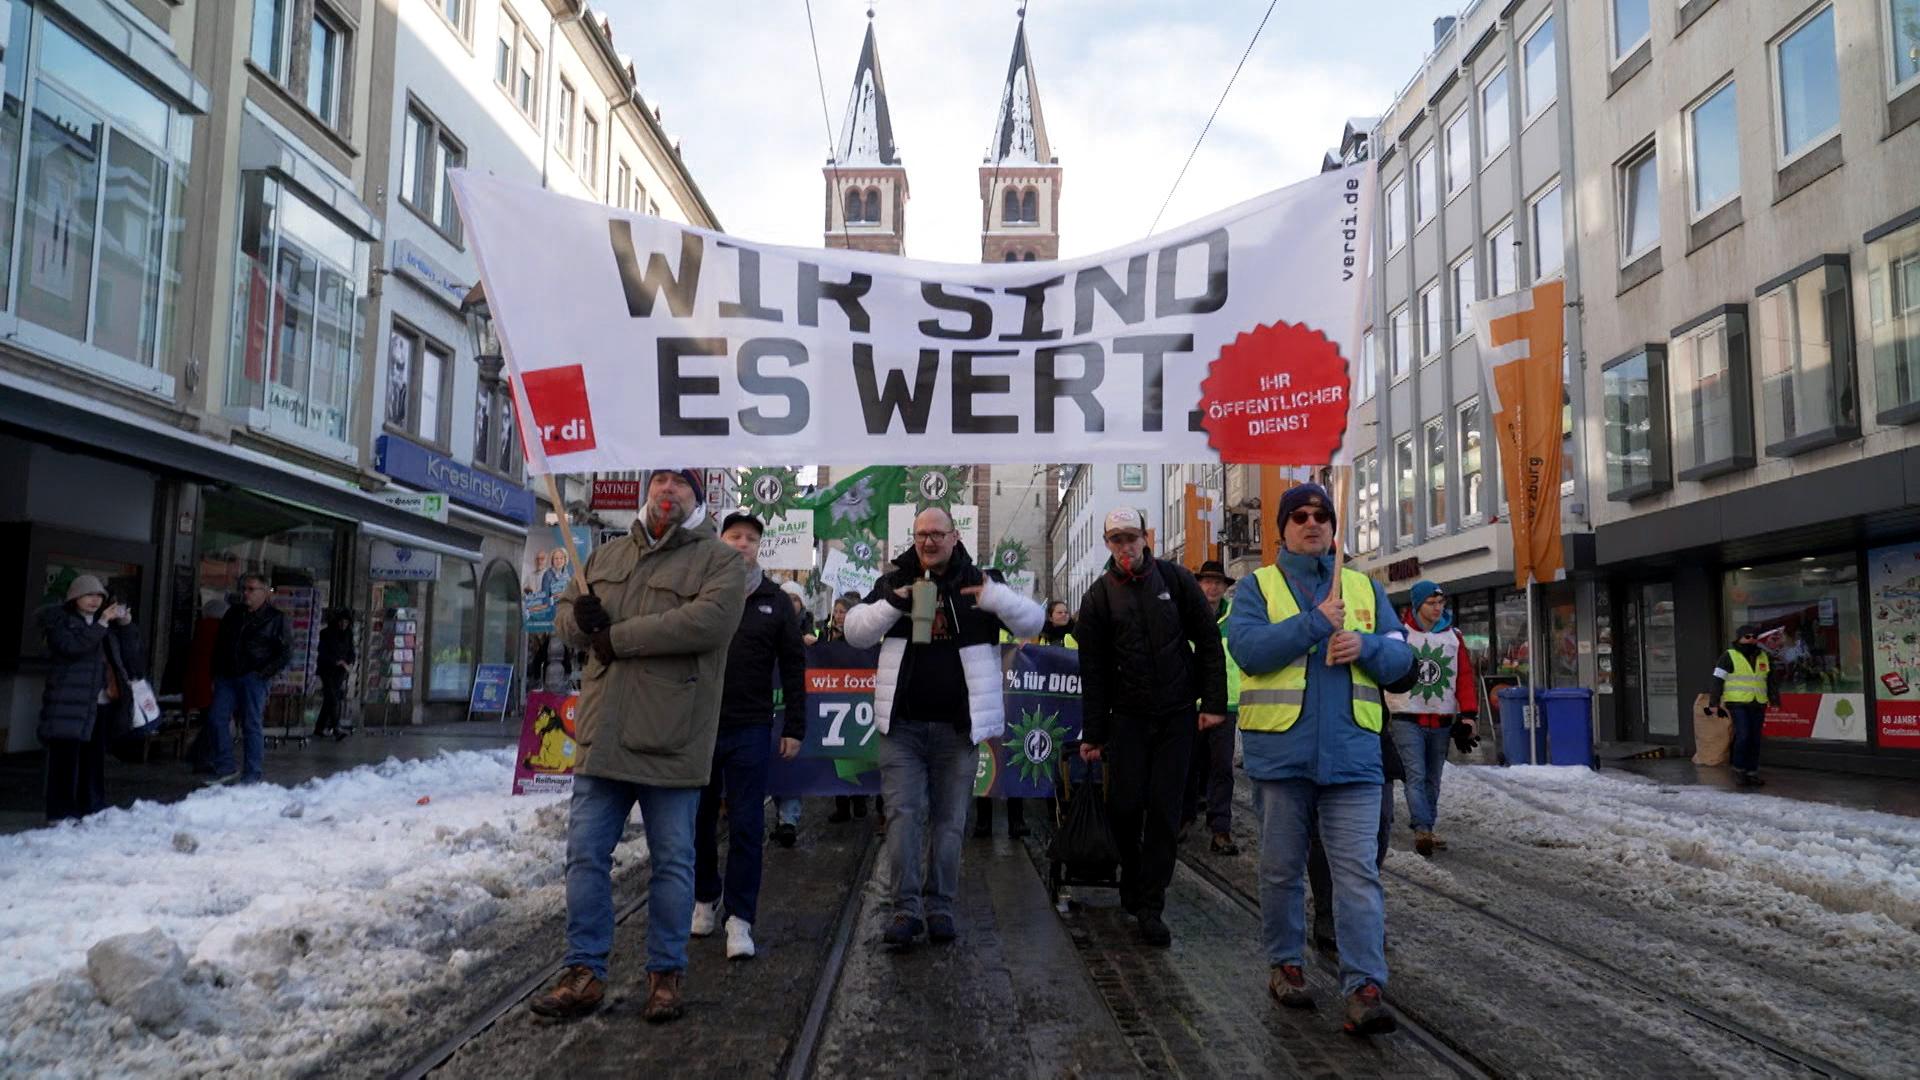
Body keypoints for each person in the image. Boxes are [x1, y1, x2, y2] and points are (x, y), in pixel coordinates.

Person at [531, 468, 747, 1024]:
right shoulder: (604, 557)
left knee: (673, 863)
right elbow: (564, 616)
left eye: (680, 485)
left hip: (671, 738)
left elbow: (706, 624)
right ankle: (584, 971)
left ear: (696, 499)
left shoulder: (719, 560)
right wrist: (578, 623)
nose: (667, 492)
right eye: (660, 481)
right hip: (604, 733)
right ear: (647, 491)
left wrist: (615, 637)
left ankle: (665, 974)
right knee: (584, 856)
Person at [1226, 483, 1413, 1036]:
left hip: (1354, 758)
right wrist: (1315, 623)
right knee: (1281, 870)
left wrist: (1368, 647)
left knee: (1356, 874)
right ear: (1282, 528)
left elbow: (1402, 656)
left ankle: (1364, 986)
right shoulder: (1257, 586)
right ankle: (1286, 964)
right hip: (1282, 758)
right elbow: (1249, 651)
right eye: (1301, 516)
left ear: (1334, 527)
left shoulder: (1363, 587)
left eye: (1323, 516)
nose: (1313, 523)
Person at [845, 507, 1043, 950]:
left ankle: (941, 906)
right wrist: (895, 602)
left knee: (950, 822)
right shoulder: (894, 579)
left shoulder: (981, 580)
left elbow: (1033, 622)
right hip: (902, 727)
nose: (928, 542)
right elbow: (855, 631)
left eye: (937, 533)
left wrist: (993, 597)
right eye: (921, 534)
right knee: (903, 817)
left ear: (955, 536)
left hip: (958, 728)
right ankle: (906, 908)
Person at [1074, 509, 1228, 947]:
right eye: (1116, 539)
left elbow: (1209, 641)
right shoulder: (1098, 598)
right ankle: (1132, 876)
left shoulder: (1177, 582)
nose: (1125, 547)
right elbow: (1094, 670)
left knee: (1164, 812)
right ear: (1108, 544)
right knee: (1123, 806)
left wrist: (1212, 703)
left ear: (1146, 538)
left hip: (1177, 715)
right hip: (1127, 719)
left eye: (1132, 538)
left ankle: (1151, 902)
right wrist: (1094, 733)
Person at [692, 513, 806, 960]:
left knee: (746, 823)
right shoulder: (699, 589)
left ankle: (740, 918)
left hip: (751, 727)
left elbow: (795, 667)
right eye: (735, 537)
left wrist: (795, 726)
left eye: (751, 539)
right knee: (698, 820)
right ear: (721, 542)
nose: (743, 545)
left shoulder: (774, 600)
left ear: (761, 547)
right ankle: (705, 897)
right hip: (698, 727)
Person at [38, 577, 144, 822]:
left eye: (99, 596)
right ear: (74, 598)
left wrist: (126, 626)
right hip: (68, 703)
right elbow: (74, 647)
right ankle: (61, 812)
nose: (95, 600)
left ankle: (92, 806)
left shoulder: (106, 626)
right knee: (65, 760)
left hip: (100, 702)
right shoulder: (61, 622)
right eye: (88, 595)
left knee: (93, 759)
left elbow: (132, 658)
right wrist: (104, 622)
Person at [1385, 581, 1479, 857]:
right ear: (1417, 605)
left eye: (1441, 603)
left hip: (1440, 721)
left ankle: (1427, 826)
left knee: (1433, 780)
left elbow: (1463, 677)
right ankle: (1422, 829)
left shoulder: (1454, 637)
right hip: (1406, 717)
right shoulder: (1400, 636)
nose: (1438, 608)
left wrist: (1469, 715)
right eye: (1431, 603)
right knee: (1415, 775)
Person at [207, 573, 291, 785]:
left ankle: (252, 773)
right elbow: (220, 644)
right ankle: (225, 766)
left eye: (251, 589)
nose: (246, 593)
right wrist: (215, 673)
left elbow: (285, 653)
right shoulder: (234, 614)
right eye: (244, 588)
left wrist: (262, 674)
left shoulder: (276, 618)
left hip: (254, 676)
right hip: (227, 675)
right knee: (216, 718)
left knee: (251, 724)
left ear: (265, 592)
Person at [1184, 560, 1242, 857]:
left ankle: (1220, 828)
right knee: (1188, 764)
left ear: (1225, 587)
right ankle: (1185, 817)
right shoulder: (1187, 616)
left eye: (1218, 582)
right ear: (1199, 584)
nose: (1213, 586)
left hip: (1226, 704)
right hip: (1191, 704)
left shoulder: (1237, 618)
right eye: (1207, 581)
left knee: (1222, 768)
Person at [1709, 624, 1779, 788]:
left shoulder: (1764, 656)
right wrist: (1714, 702)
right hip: (1737, 702)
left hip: (1758, 702)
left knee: (1755, 739)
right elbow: (1717, 680)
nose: (1751, 639)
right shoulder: (1729, 656)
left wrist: (1774, 698)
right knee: (1744, 735)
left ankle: (1751, 772)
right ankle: (1739, 769)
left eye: (1754, 637)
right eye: (1747, 636)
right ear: (1739, 637)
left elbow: (1770, 680)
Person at [314, 609, 354, 741]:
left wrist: (348, 663)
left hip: (340, 672)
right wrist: (336, 661)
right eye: (341, 621)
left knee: (330, 699)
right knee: (332, 698)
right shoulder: (326, 633)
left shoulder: (348, 634)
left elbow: (351, 651)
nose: (343, 624)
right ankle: (336, 727)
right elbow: (322, 652)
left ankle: (320, 727)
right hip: (328, 669)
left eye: (346, 622)